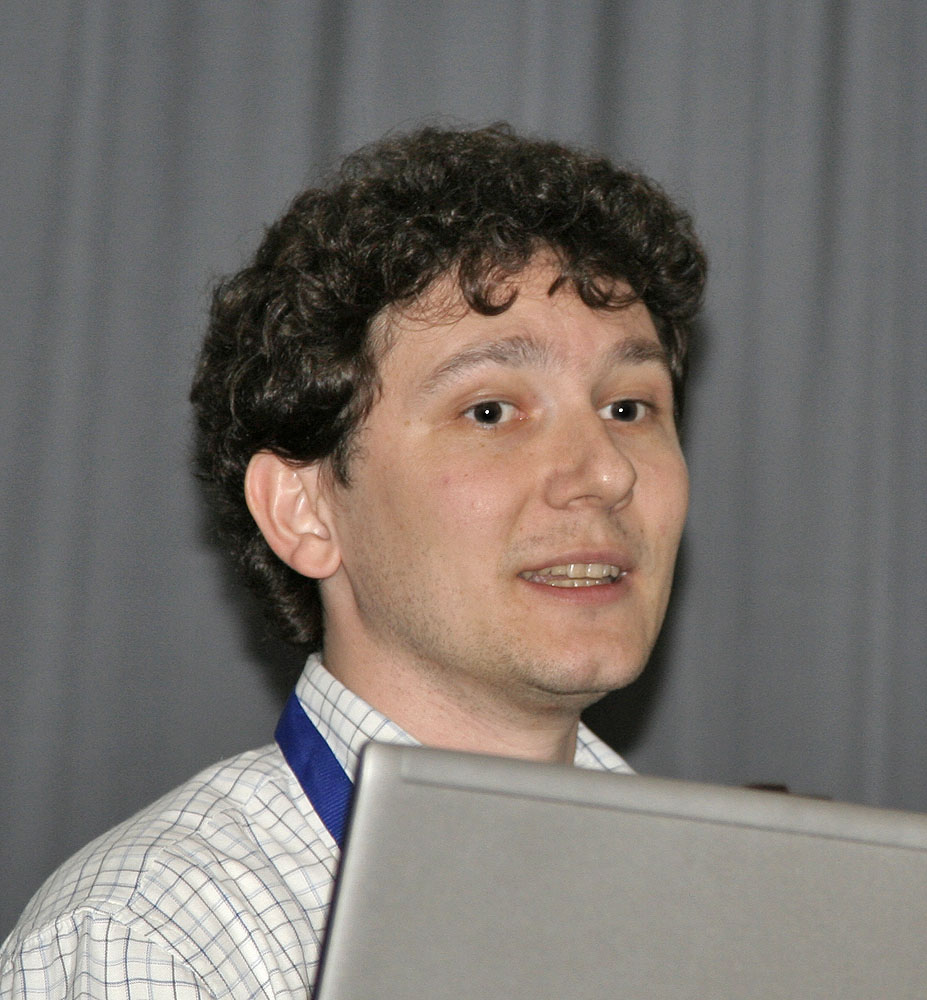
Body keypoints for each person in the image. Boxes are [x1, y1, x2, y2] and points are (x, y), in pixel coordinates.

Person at [0, 124, 706, 998]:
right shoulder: (151, 943)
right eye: (490, 412)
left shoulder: (736, 910)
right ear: (303, 510)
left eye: (630, 408)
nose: (605, 473)